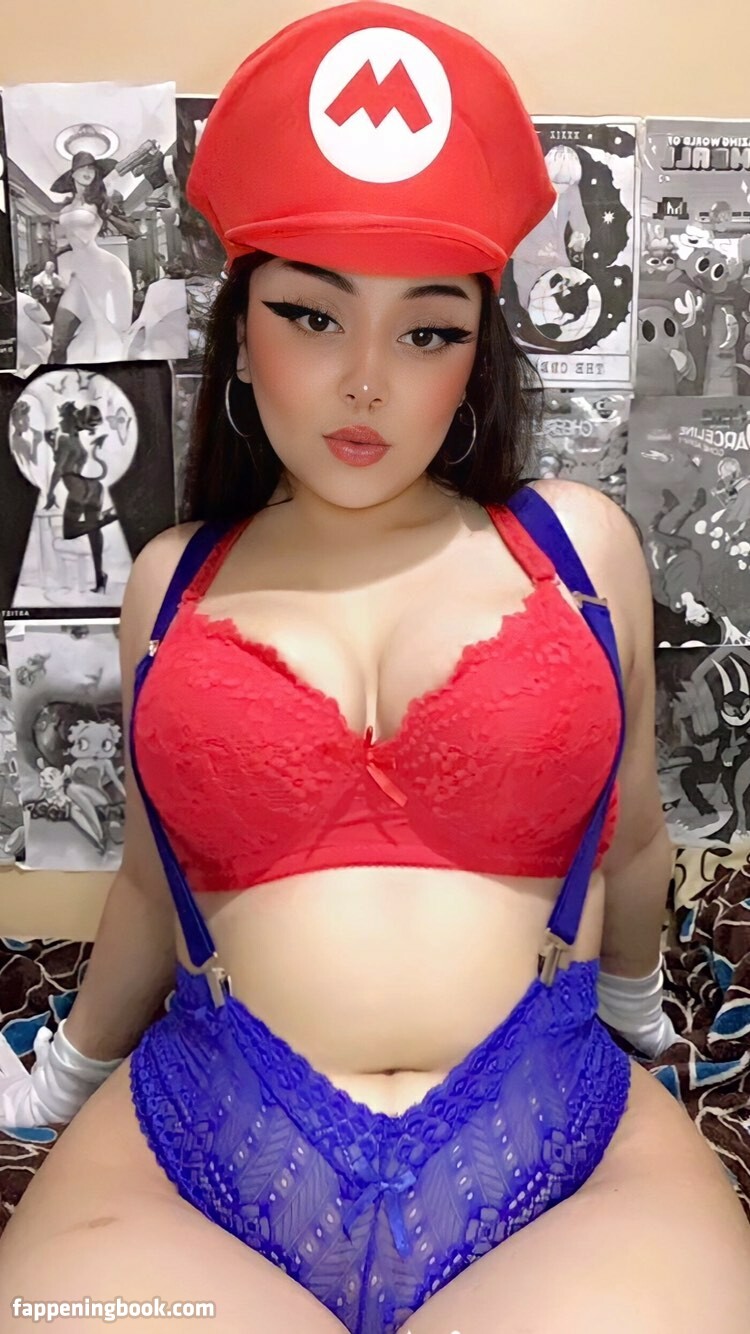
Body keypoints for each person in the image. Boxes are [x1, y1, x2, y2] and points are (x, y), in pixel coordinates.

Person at [1, 5, 749, 1332]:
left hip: (556, 1135)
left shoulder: (578, 551)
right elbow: (152, 877)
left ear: (476, 359)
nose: (364, 382)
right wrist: (60, 1079)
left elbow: (632, 837)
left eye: (426, 331)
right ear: (241, 333)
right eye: (310, 316)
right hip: (199, 1140)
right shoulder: (170, 581)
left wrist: (640, 1024)